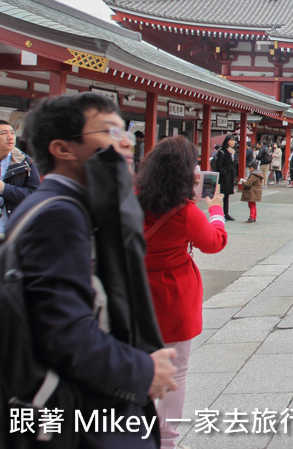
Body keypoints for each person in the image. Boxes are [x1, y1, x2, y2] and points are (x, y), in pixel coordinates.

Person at [10, 93, 178, 446]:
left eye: (124, 132)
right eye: (108, 132)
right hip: (80, 412)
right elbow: (64, 332)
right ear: (62, 148)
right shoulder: (60, 214)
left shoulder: (63, 206)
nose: (124, 143)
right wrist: (143, 371)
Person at [137, 135, 228, 449]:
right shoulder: (185, 211)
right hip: (173, 294)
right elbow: (214, 242)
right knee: (176, 372)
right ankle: (166, 440)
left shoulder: (131, 199)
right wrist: (214, 208)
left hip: (135, 293)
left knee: (137, 367)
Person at [0, 118, 41, 239]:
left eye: (12, 133)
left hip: (10, 227)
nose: (10, 137)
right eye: (3, 133)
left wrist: (4, 189)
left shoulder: (25, 163)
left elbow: (34, 195)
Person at [212, 133, 240, 220]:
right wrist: (224, 173)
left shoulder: (232, 151)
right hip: (224, 177)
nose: (232, 142)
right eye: (230, 140)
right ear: (227, 141)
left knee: (227, 195)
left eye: (233, 140)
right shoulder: (222, 151)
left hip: (230, 175)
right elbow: (219, 165)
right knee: (221, 195)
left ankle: (226, 213)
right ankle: (220, 213)